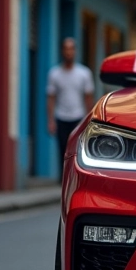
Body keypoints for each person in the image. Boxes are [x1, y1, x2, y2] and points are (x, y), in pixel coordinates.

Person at [47, 38, 95, 175]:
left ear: (75, 51)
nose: (69, 52)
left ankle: (76, 177)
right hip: (61, 117)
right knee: (63, 150)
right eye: (66, 49)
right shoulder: (54, 74)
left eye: (71, 49)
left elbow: (88, 98)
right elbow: (50, 98)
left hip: (78, 118)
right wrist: (50, 120)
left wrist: (89, 120)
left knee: (76, 152)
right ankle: (63, 180)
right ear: (62, 51)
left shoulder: (84, 73)